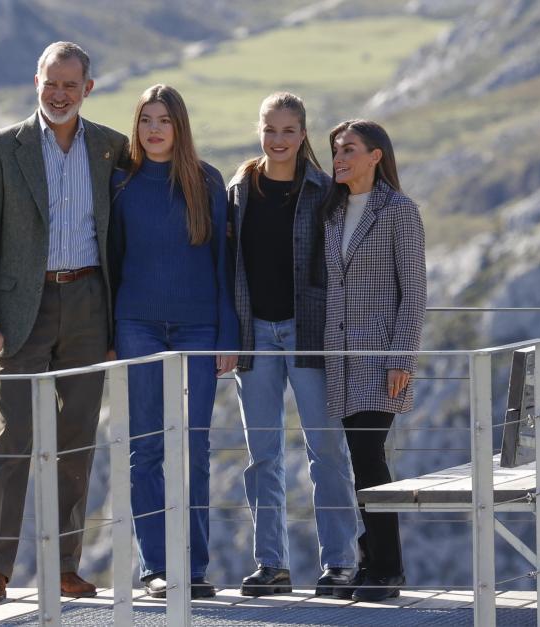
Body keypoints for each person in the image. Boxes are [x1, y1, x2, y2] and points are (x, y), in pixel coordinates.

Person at [0, 41, 129, 603]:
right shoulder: (2, 147)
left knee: (76, 440)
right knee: (10, 439)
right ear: (35, 81)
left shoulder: (112, 148)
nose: (59, 94)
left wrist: (118, 322)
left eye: (70, 85)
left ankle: (64, 565)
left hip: (88, 305)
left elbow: (126, 235)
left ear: (88, 89)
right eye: (50, 83)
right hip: (18, 314)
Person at [109, 84, 238, 600]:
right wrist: (110, 335)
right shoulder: (121, 183)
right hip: (137, 325)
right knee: (146, 449)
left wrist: (228, 334)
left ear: (180, 126)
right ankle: (156, 569)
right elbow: (112, 263)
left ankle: (195, 567)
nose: (154, 129)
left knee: (196, 448)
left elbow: (224, 266)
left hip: (200, 329)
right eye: (146, 120)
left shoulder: (206, 182)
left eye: (164, 119)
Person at [228, 93, 359, 597]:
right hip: (254, 335)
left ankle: (342, 565)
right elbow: (228, 266)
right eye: (269, 129)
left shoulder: (326, 191)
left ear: (303, 134)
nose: (277, 140)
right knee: (262, 455)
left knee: (326, 451)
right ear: (258, 130)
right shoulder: (240, 190)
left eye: (288, 131)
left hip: (311, 335)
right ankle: (272, 566)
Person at [321, 119, 427, 602]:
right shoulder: (333, 211)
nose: (339, 159)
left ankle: (387, 569)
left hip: (381, 356)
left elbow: (415, 291)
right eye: (336, 151)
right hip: (338, 357)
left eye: (348, 150)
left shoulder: (399, 210)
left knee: (368, 457)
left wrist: (400, 356)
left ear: (376, 156)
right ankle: (372, 565)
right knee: (357, 460)